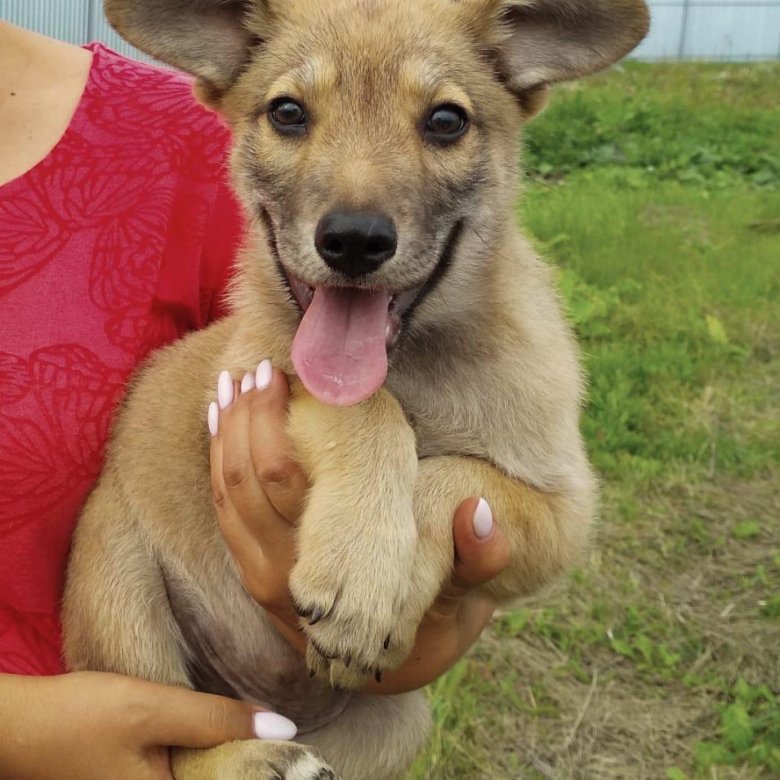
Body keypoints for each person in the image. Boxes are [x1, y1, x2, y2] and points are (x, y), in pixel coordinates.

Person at [0, 20, 509, 779]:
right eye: (294, 116)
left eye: (441, 122)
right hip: (129, 689)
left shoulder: (190, 143)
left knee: (393, 725)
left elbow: (319, 390)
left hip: (287, 718)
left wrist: (431, 591)